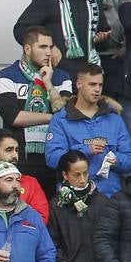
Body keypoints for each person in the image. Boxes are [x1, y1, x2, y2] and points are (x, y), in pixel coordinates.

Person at [0, 26, 72, 197]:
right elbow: (12, 116)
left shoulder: (62, 77)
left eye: (51, 47)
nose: (49, 53)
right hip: (20, 158)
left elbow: (66, 115)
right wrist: (52, 117)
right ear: (27, 49)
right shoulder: (7, 75)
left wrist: (48, 84)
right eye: (43, 47)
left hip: (53, 158)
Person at [14, 0, 109, 78]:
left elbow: (104, 34)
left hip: (88, 77)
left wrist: (102, 39)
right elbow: (21, 29)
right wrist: (48, 48)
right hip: (57, 78)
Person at [45, 64, 131, 198]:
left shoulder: (114, 119)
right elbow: (52, 159)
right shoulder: (61, 119)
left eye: (100, 85)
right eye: (92, 84)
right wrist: (85, 150)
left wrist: (116, 160)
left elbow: (129, 159)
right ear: (79, 84)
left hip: (110, 198)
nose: (97, 89)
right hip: (74, 199)